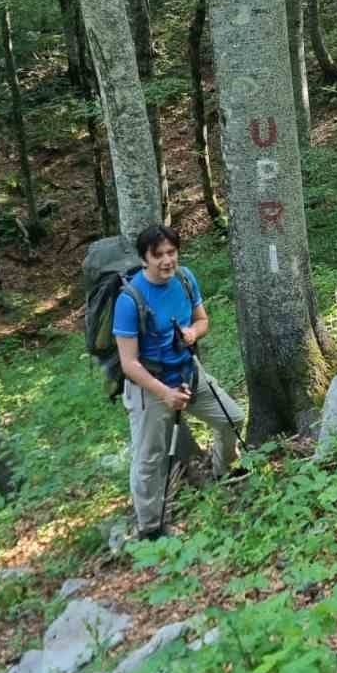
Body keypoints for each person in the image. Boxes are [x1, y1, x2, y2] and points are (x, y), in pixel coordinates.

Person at [114, 224, 244, 540]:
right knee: (150, 459)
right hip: (151, 387)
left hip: (188, 372)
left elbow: (202, 320)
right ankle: (150, 529)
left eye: (171, 252)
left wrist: (192, 333)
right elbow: (129, 364)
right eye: (158, 255)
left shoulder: (185, 279)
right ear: (144, 259)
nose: (167, 260)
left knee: (232, 418)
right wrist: (165, 394)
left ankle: (223, 471)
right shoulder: (129, 300)